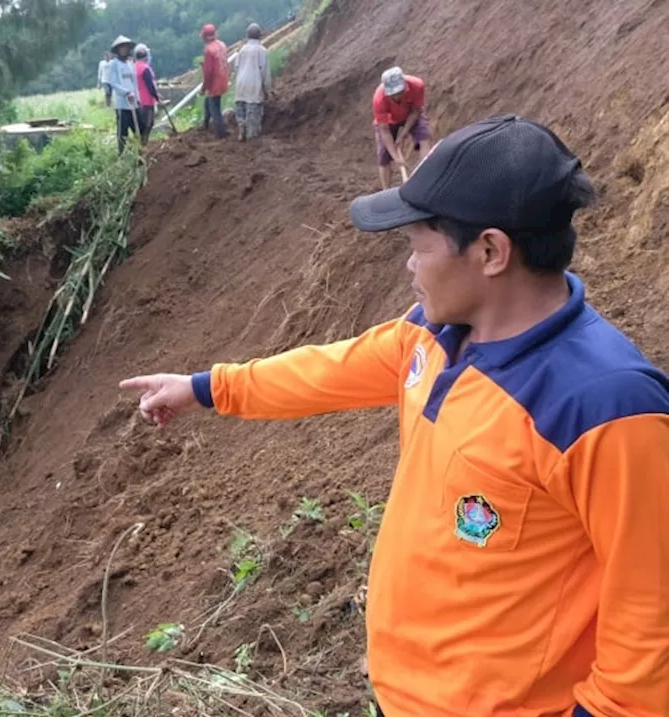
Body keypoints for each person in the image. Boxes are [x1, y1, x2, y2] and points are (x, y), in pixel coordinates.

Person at [120, 114, 670, 716]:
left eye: (417, 246)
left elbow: (651, 623)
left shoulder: (606, 409)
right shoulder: (434, 335)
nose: (408, 266)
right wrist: (205, 388)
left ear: (490, 251)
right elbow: (330, 370)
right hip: (404, 694)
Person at [374, 66, 433, 190]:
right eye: (392, 95)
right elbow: (384, 130)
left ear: (404, 86)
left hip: (411, 113)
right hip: (389, 121)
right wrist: (396, 157)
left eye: (399, 93)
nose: (396, 97)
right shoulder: (379, 99)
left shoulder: (417, 85)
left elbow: (415, 112)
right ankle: (386, 192)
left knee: (425, 137)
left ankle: (424, 181)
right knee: (384, 155)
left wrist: (403, 134)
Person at [233, 23, 272, 141]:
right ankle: (251, 136)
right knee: (253, 113)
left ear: (247, 36)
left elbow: (236, 68)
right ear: (260, 36)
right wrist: (267, 89)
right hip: (254, 85)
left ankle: (241, 131)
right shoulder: (262, 51)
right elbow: (265, 72)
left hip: (240, 84)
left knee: (241, 111)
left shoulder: (242, 50)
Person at [107, 36, 140, 153]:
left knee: (138, 130)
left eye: (126, 48)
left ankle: (139, 153)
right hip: (122, 104)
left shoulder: (130, 63)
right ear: (117, 50)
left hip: (134, 103)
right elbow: (113, 82)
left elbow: (134, 82)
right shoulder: (114, 64)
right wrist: (126, 93)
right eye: (122, 48)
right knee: (122, 132)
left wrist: (137, 97)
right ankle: (121, 155)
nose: (124, 50)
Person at [200, 24, 229, 139]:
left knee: (215, 108)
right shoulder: (221, 45)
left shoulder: (208, 50)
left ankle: (221, 133)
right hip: (223, 79)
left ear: (205, 37)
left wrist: (204, 87)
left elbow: (208, 72)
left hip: (214, 83)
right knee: (209, 101)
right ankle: (205, 123)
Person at [133, 44, 163, 144]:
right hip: (146, 100)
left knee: (141, 125)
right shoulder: (145, 68)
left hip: (137, 100)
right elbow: (150, 86)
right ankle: (144, 144)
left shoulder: (133, 67)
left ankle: (141, 143)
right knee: (148, 124)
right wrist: (157, 97)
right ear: (145, 56)